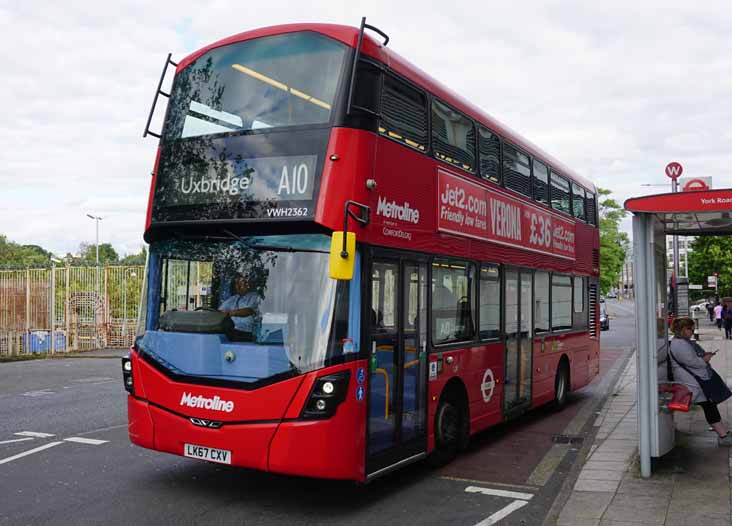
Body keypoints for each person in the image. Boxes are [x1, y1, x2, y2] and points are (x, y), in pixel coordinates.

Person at [669, 317, 732, 446]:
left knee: (710, 404)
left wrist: (704, 356)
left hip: (696, 380)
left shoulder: (682, 342)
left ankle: (721, 432)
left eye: (692, 328)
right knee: (709, 405)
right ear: (681, 330)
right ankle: (722, 436)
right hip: (693, 381)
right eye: (689, 328)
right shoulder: (679, 344)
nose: (692, 331)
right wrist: (705, 359)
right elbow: (693, 362)